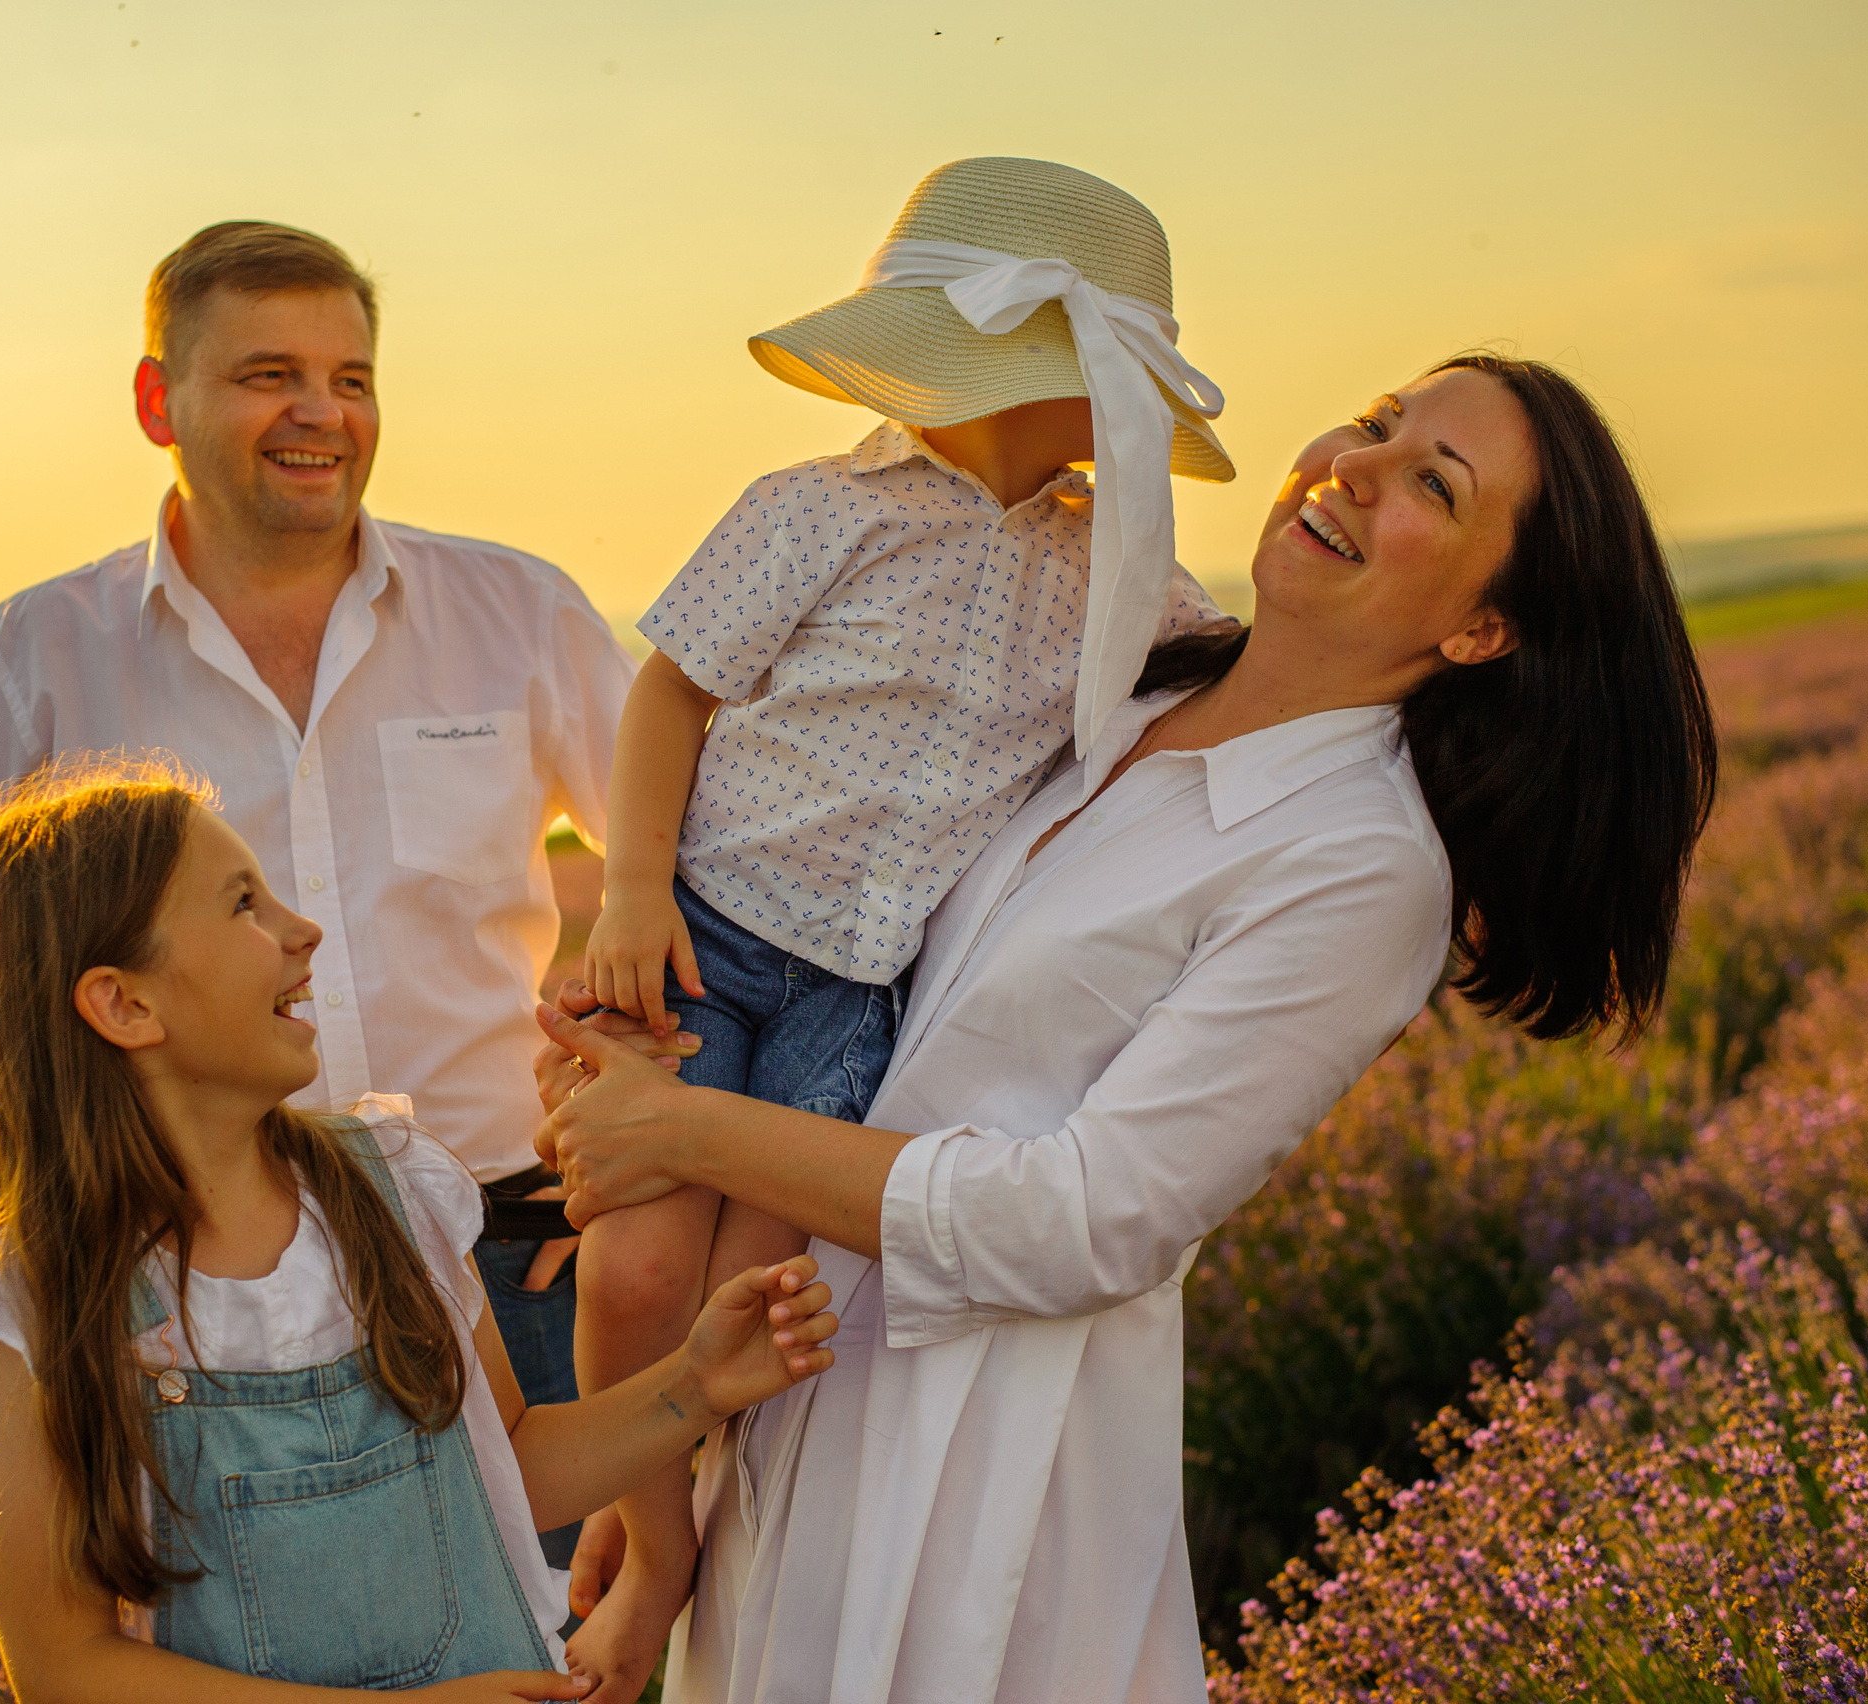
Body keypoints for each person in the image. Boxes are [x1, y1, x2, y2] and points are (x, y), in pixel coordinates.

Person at [535, 353, 1718, 1702]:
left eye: (1431, 487)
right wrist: (640, 1052)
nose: (1358, 463)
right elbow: (857, 952)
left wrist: (682, 1128)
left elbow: (1088, 1221)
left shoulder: (1362, 865)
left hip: (976, 1461)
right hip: (781, 1382)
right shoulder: (1120, 690)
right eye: (1381, 422)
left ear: (1484, 631)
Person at [0, 221, 634, 1539]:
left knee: (559, 1657)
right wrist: (27, 1152)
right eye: (267, 376)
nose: (322, 415)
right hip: (193, 1296)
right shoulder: (41, 657)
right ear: (155, 401)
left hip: (511, 1257)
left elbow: (692, 868)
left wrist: (647, 1133)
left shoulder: (516, 613)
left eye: (352, 379)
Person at [564, 156, 1235, 1682]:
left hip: (862, 993)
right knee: (631, 1277)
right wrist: (625, 891)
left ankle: (697, 1549)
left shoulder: (1111, 570)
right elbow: (671, 688)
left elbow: (1223, 679)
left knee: (758, 1305)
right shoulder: (818, 510)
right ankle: (655, 1557)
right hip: (711, 943)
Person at [0, 759, 839, 1699]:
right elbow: (65, 1670)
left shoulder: (392, 1189)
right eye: (243, 904)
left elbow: (514, 1469)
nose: (302, 929)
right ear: (124, 1003)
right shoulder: (25, 1301)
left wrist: (696, 1383)